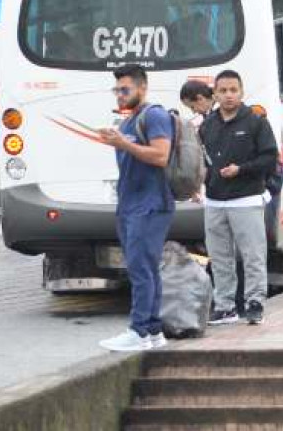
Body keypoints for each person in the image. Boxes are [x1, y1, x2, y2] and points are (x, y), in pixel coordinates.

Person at [97, 64, 174, 352]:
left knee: (141, 269)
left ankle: (139, 331)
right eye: (116, 89)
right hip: (132, 203)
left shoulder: (154, 115)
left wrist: (122, 144)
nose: (119, 94)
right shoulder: (131, 120)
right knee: (145, 268)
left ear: (142, 88)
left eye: (124, 89)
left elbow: (161, 156)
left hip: (150, 204)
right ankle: (153, 331)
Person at [199, 70, 279, 326]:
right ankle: (225, 306)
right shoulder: (207, 125)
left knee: (253, 254)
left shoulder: (255, 122)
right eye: (223, 91)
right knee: (220, 257)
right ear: (215, 94)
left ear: (242, 92)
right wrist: (199, 179)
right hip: (214, 200)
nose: (228, 95)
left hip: (246, 198)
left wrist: (241, 169)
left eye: (233, 90)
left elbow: (269, 158)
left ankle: (255, 302)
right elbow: (202, 159)